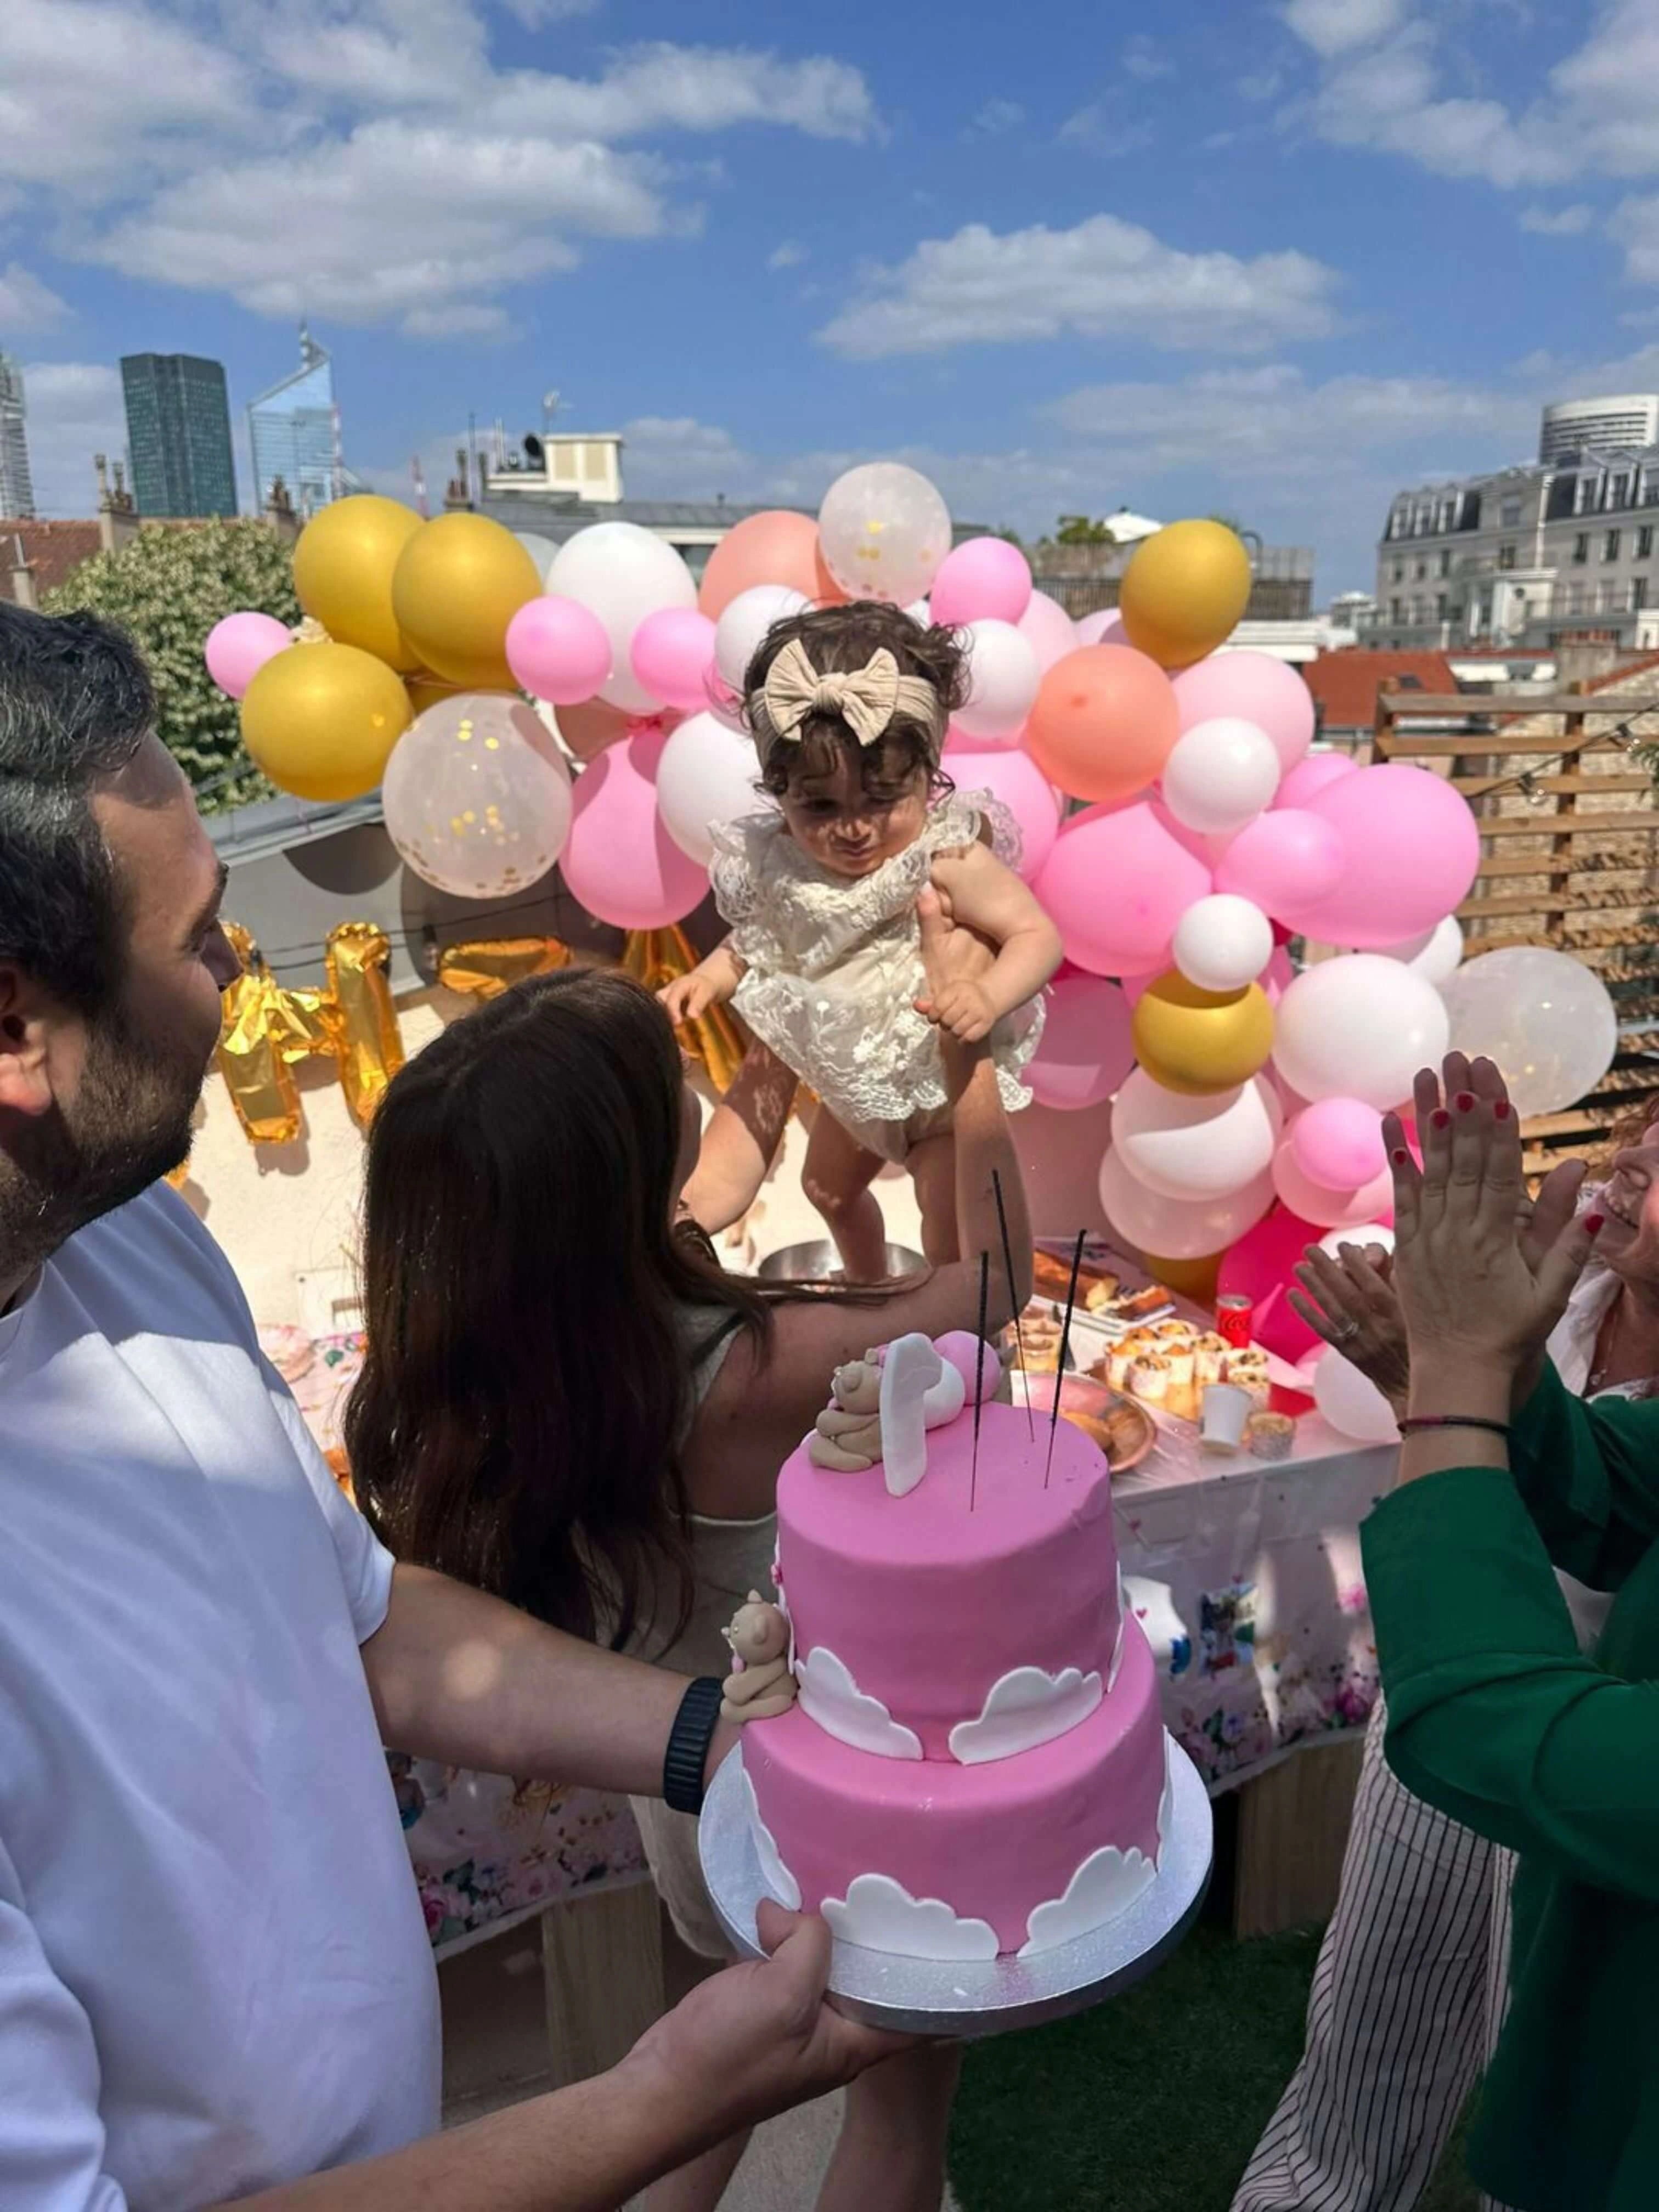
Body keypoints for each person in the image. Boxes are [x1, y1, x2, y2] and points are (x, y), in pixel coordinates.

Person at [0, 602, 908, 2212]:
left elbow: (360, 1627)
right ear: (17, 1028)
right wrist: (661, 2103)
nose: (233, 978)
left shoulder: (123, 1237)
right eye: (200, 938)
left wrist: (723, 1746)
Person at [347, 944, 1033, 2212]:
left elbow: (722, 1171)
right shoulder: (760, 1362)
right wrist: (970, 1076)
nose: (696, 1091)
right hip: (804, 1765)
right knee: (898, 2094)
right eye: (674, 1080)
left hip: (670, 1773)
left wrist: (768, 1075)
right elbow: (990, 1292)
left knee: (718, 2059)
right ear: (621, 1171)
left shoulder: (513, 1328)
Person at [1234, 1084, 1659, 2212]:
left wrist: (1448, 1376)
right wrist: (1481, 1365)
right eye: (1642, 1139)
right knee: (1376, 2002)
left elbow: (1496, 1723)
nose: (1631, 1164)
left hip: (1549, 1746)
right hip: (1465, 1684)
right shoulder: (1568, 1294)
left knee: (1529, 2035)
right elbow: (1607, 1482)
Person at [659, 600, 1062, 1279]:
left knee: (944, 1229)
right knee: (826, 1190)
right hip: (856, 1087)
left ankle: (948, 1335)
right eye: (820, 807)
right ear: (778, 791)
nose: (853, 828)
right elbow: (756, 938)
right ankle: (869, 1284)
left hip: (936, 1087)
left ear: (928, 777)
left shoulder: (943, 855)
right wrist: (707, 977)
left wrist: (987, 996)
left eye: (881, 798)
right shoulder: (784, 859)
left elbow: (1035, 934)